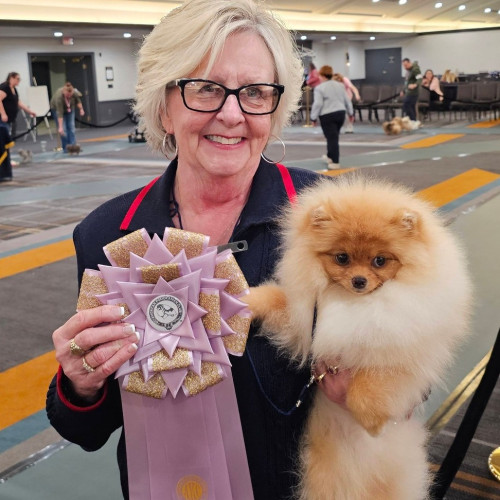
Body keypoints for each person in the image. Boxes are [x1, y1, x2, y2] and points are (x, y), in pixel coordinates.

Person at [45, 1, 351, 499]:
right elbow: (89, 428)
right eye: (205, 88)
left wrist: (370, 380)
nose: (231, 114)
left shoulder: (333, 216)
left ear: (275, 108)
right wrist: (81, 383)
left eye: (255, 92)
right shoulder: (108, 233)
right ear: (164, 106)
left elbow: (404, 378)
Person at [310, 65, 353, 169]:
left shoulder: (319, 88)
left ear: (322, 75)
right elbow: (347, 100)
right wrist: (351, 113)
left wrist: (313, 117)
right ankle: (329, 156)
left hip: (327, 115)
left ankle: (335, 162)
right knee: (333, 137)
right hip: (340, 114)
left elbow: (318, 104)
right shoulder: (340, 85)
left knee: (332, 138)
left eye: (320, 75)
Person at [0, 72, 37, 179]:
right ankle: (4, 162)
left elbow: (18, 102)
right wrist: (3, 114)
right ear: (11, 78)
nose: (19, 81)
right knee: (3, 142)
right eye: (17, 79)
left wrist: (29, 111)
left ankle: (6, 161)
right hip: (2, 120)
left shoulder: (14, 89)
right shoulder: (4, 87)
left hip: (9, 120)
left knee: (7, 141)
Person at [49, 82, 85, 152]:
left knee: (71, 127)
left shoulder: (74, 93)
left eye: (70, 95)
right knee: (64, 129)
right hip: (57, 109)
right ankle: (66, 148)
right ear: (64, 92)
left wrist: (81, 109)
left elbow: (78, 101)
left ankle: (73, 147)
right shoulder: (59, 98)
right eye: (67, 95)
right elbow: (60, 113)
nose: (69, 97)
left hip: (70, 109)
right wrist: (60, 127)